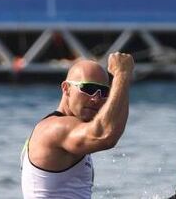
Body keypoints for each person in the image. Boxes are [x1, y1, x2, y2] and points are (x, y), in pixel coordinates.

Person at [21, 52, 134, 199]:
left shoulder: (73, 130)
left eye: (104, 92)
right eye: (88, 89)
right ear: (66, 88)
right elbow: (106, 135)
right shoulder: (55, 128)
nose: (96, 99)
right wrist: (122, 74)